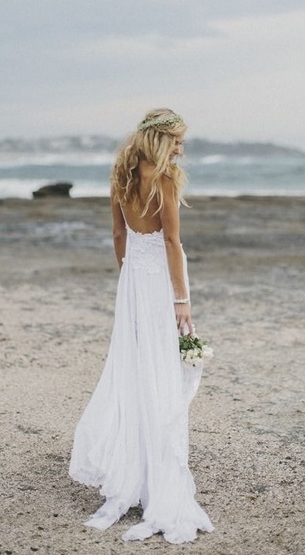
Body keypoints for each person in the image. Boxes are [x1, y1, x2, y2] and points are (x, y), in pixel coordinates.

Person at [69, 108, 214, 544]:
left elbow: (118, 235)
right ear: (160, 141)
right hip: (159, 285)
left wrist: (127, 277)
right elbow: (171, 241)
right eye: (177, 141)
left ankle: (135, 472)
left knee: (136, 370)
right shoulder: (164, 180)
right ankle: (157, 479)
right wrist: (181, 299)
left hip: (132, 279)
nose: (181, 149)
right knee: (160, 372)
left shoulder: (120, 177)